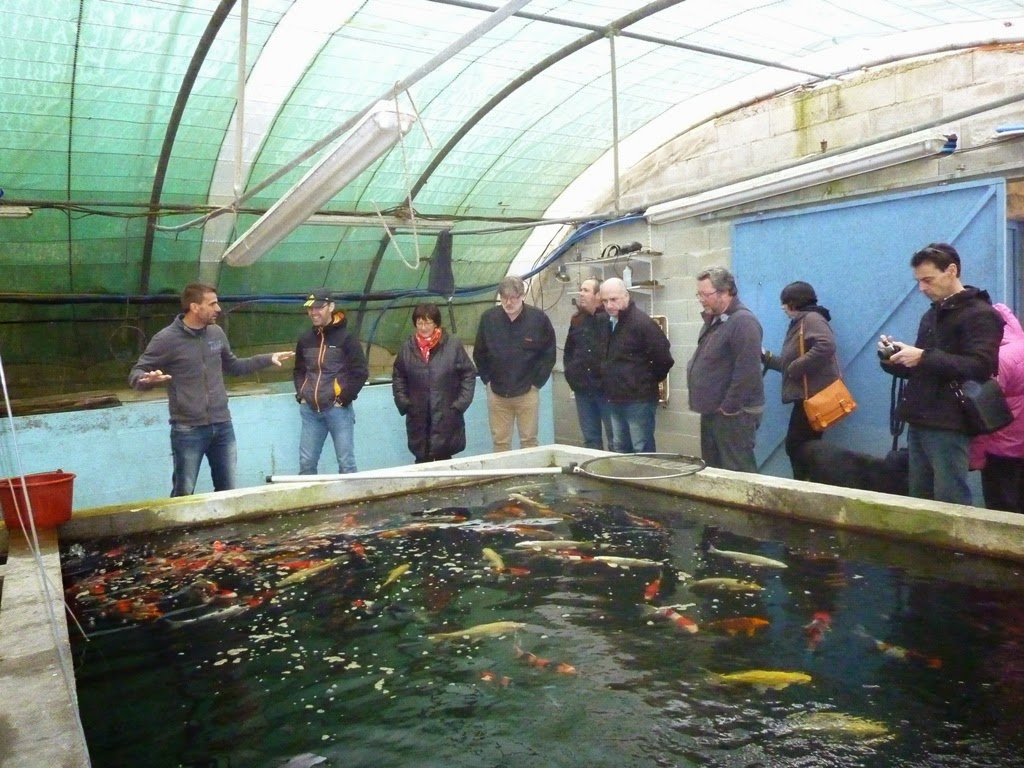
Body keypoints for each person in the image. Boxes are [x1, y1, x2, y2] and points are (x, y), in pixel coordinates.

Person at [129, 282, 294, 497]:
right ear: (195, 307)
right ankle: (181, 529)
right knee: (183, 493)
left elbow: (234, 366)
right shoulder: (166, 339)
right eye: (212, 304)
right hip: (188, 429)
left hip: (223, 426)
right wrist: (146, 379)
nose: (218, 309)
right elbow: (137, 372)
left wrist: (267, 359)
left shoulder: (216, 333)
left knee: (227, 492)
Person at [879, 242, 1003, 505]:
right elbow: (925, 367)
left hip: (950, 421)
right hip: (920, 417)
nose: (922, 288)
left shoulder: (981, 315)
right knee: (919, 498)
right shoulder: (932, 314)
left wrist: (923, 356)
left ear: (951, 271)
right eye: (918, 282)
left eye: (928, 280)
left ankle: (957, 547)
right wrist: (893, 358)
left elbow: (981, 366)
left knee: (950, 499)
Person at [686, 266, 765, 472]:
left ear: (726, 292)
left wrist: (729, 407)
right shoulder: (715, 319)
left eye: (706, 294)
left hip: (733, 414)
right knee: (715, 470)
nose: (701, 299)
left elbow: (747, 371)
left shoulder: (743, 322)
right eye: (699, 294)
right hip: (713, 410)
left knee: (737, 472)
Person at [761, 281, 837, 481]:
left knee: (798, 447)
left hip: (811, 398)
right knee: (803, 447)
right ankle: (806, 486)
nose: (783, 308)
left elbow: (826, 345)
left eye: (785, 303)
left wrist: (795, 367)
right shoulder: (802, 321)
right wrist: (768, 358)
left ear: (794, 303)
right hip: (805, 397)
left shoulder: (811, 318)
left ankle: (805, 488)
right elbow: (791, 364)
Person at [473, 275, 556, 452]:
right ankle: (504, 478)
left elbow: (548, 354)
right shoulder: (489, 319)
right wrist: (487, 381)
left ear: (522, 296)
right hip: (497, 393)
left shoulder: (538, 319)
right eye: (504, 298)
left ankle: (531, 478)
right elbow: (479, 352)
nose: (508, 302)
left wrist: (536, 384)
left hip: (527, 392)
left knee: (529, 441)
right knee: (500, 442)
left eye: (513, 298)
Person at [293, 289, 368, 474]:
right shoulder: (305, 339)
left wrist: (342, 399)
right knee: (306, 463)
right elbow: (299, 370)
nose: (313, 312)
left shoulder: (347, 339)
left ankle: (350, 501)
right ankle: (308, 502)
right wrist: (302, 394)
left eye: (319, 307)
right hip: (310, 411)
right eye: (310, 309)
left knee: (346, 463)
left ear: (331, 307)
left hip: (338, 411)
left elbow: (360, 372)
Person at [392, 303, 478, 463]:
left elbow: (468, 373)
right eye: (419, 323)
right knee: (421, 462)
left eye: (428, 322)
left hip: (446, 415)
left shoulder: (452, 345)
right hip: (418, 417)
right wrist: (405, 403)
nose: (423, 327)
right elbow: (398, 377)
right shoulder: (407, 348)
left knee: (445, 462)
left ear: (436, 323)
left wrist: (459, 405)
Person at [600, 277, 674, 453]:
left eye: (613, 299)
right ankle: (625, 481)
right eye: (604, 300)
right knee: (620, 448)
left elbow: (664, 359)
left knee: (641, 449)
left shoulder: (642, 324)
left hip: (639, 400)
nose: (609, 305)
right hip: (615, 398)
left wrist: (643, 382)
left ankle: (646, 481)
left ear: (626, 296)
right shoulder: (608, 323)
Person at [968, 303, 1024, 513]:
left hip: (1000, 448)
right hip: (1019, 445)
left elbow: (984, 412)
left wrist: (976, 458)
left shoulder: (998, 359)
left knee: (1001, 510)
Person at [563, 277, 612, 450]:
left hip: (607, 390)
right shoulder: (577, 320)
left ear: (599, 295)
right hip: (583, 389)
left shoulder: (610, 320)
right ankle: (594, 475)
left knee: (615, 438)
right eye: (580, 289)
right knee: (590, 440)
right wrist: (572, 376)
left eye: (586, 290)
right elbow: (569, 351)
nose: (581, 294)